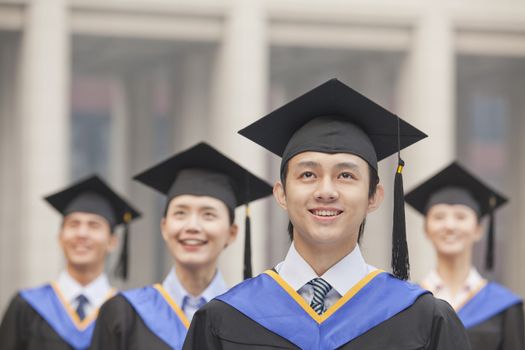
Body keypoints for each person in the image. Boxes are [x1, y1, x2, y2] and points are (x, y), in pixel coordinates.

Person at [183, 78, 471, 349]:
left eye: (345, 175)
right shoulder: (224, 319)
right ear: (281, 194)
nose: (326, 191)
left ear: (374, 196)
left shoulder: (424, 320)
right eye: (308, 174)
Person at [89, 142, 273, 350]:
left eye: (208, 214)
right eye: (180, 213)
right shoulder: (122, 314)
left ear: (232, 233)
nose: (192, 226)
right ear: (164, 227)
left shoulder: (252, 320)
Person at [0, 175, 141, 350]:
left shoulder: (128, 313)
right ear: (60, 237)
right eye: (73, 224)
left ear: (112, 241)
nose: (82, 234)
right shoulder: (26, 306)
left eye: (94, 225)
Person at [405, 161, 524, 350]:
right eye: (439, 217)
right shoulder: (407, 303)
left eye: (461, 217)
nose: (450, 226)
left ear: (478, 229)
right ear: (426, 229)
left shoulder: (504, 307)